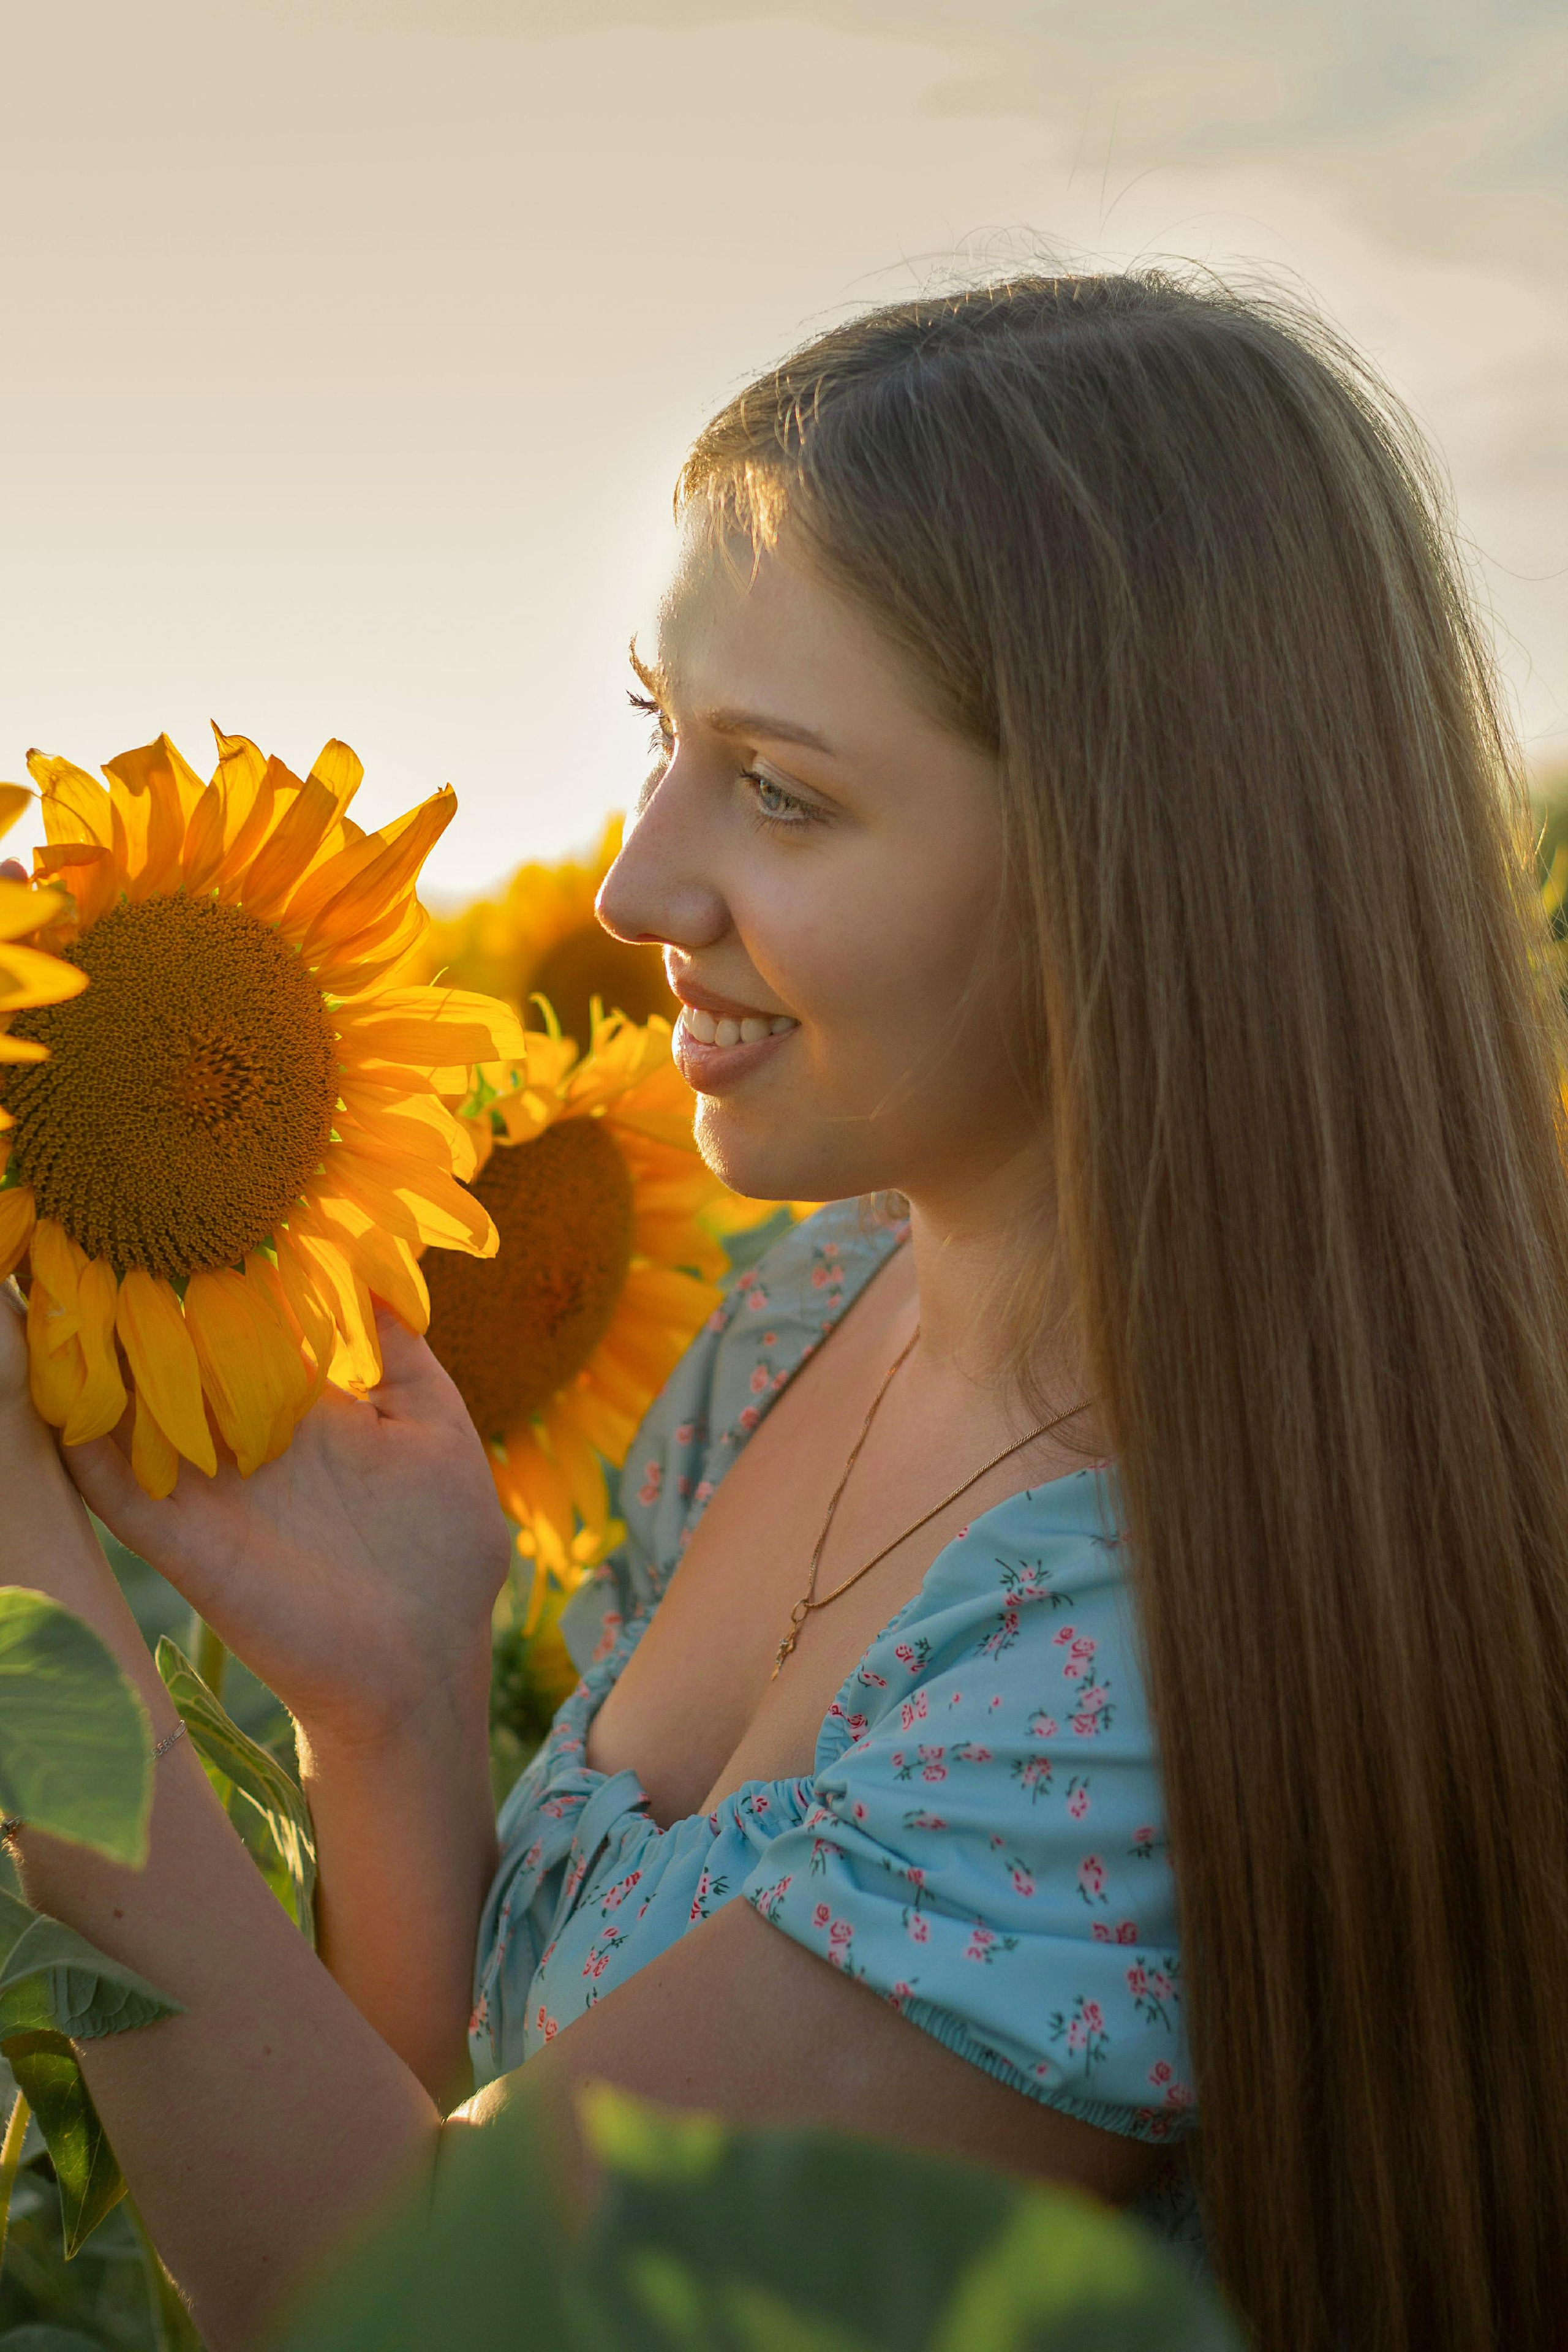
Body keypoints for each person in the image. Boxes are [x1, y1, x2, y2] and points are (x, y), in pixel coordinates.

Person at [3, 269, 1566, 2352]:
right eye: (662, 736)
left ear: (1135, 860)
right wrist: (392, 1704)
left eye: (783, 792)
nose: (636, 888)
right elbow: (442, 2121)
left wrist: (32, 1633)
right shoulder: (806, 1318)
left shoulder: (1167, 1662)